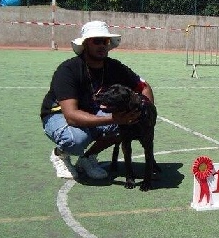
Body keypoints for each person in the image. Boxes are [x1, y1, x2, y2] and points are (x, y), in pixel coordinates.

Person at [40, 21, 155, 179]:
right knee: (77, 139)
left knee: (127, 122)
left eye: (105, 41)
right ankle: (59, 154)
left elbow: (144, 87)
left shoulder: (114, 67)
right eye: (96, 41)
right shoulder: (68, 70)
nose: (102, 46)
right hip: (58, 115)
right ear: (86, 44)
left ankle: (87, 158)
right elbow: (72, 116)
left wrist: (146, 114)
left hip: (92, 111)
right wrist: (113, 119)